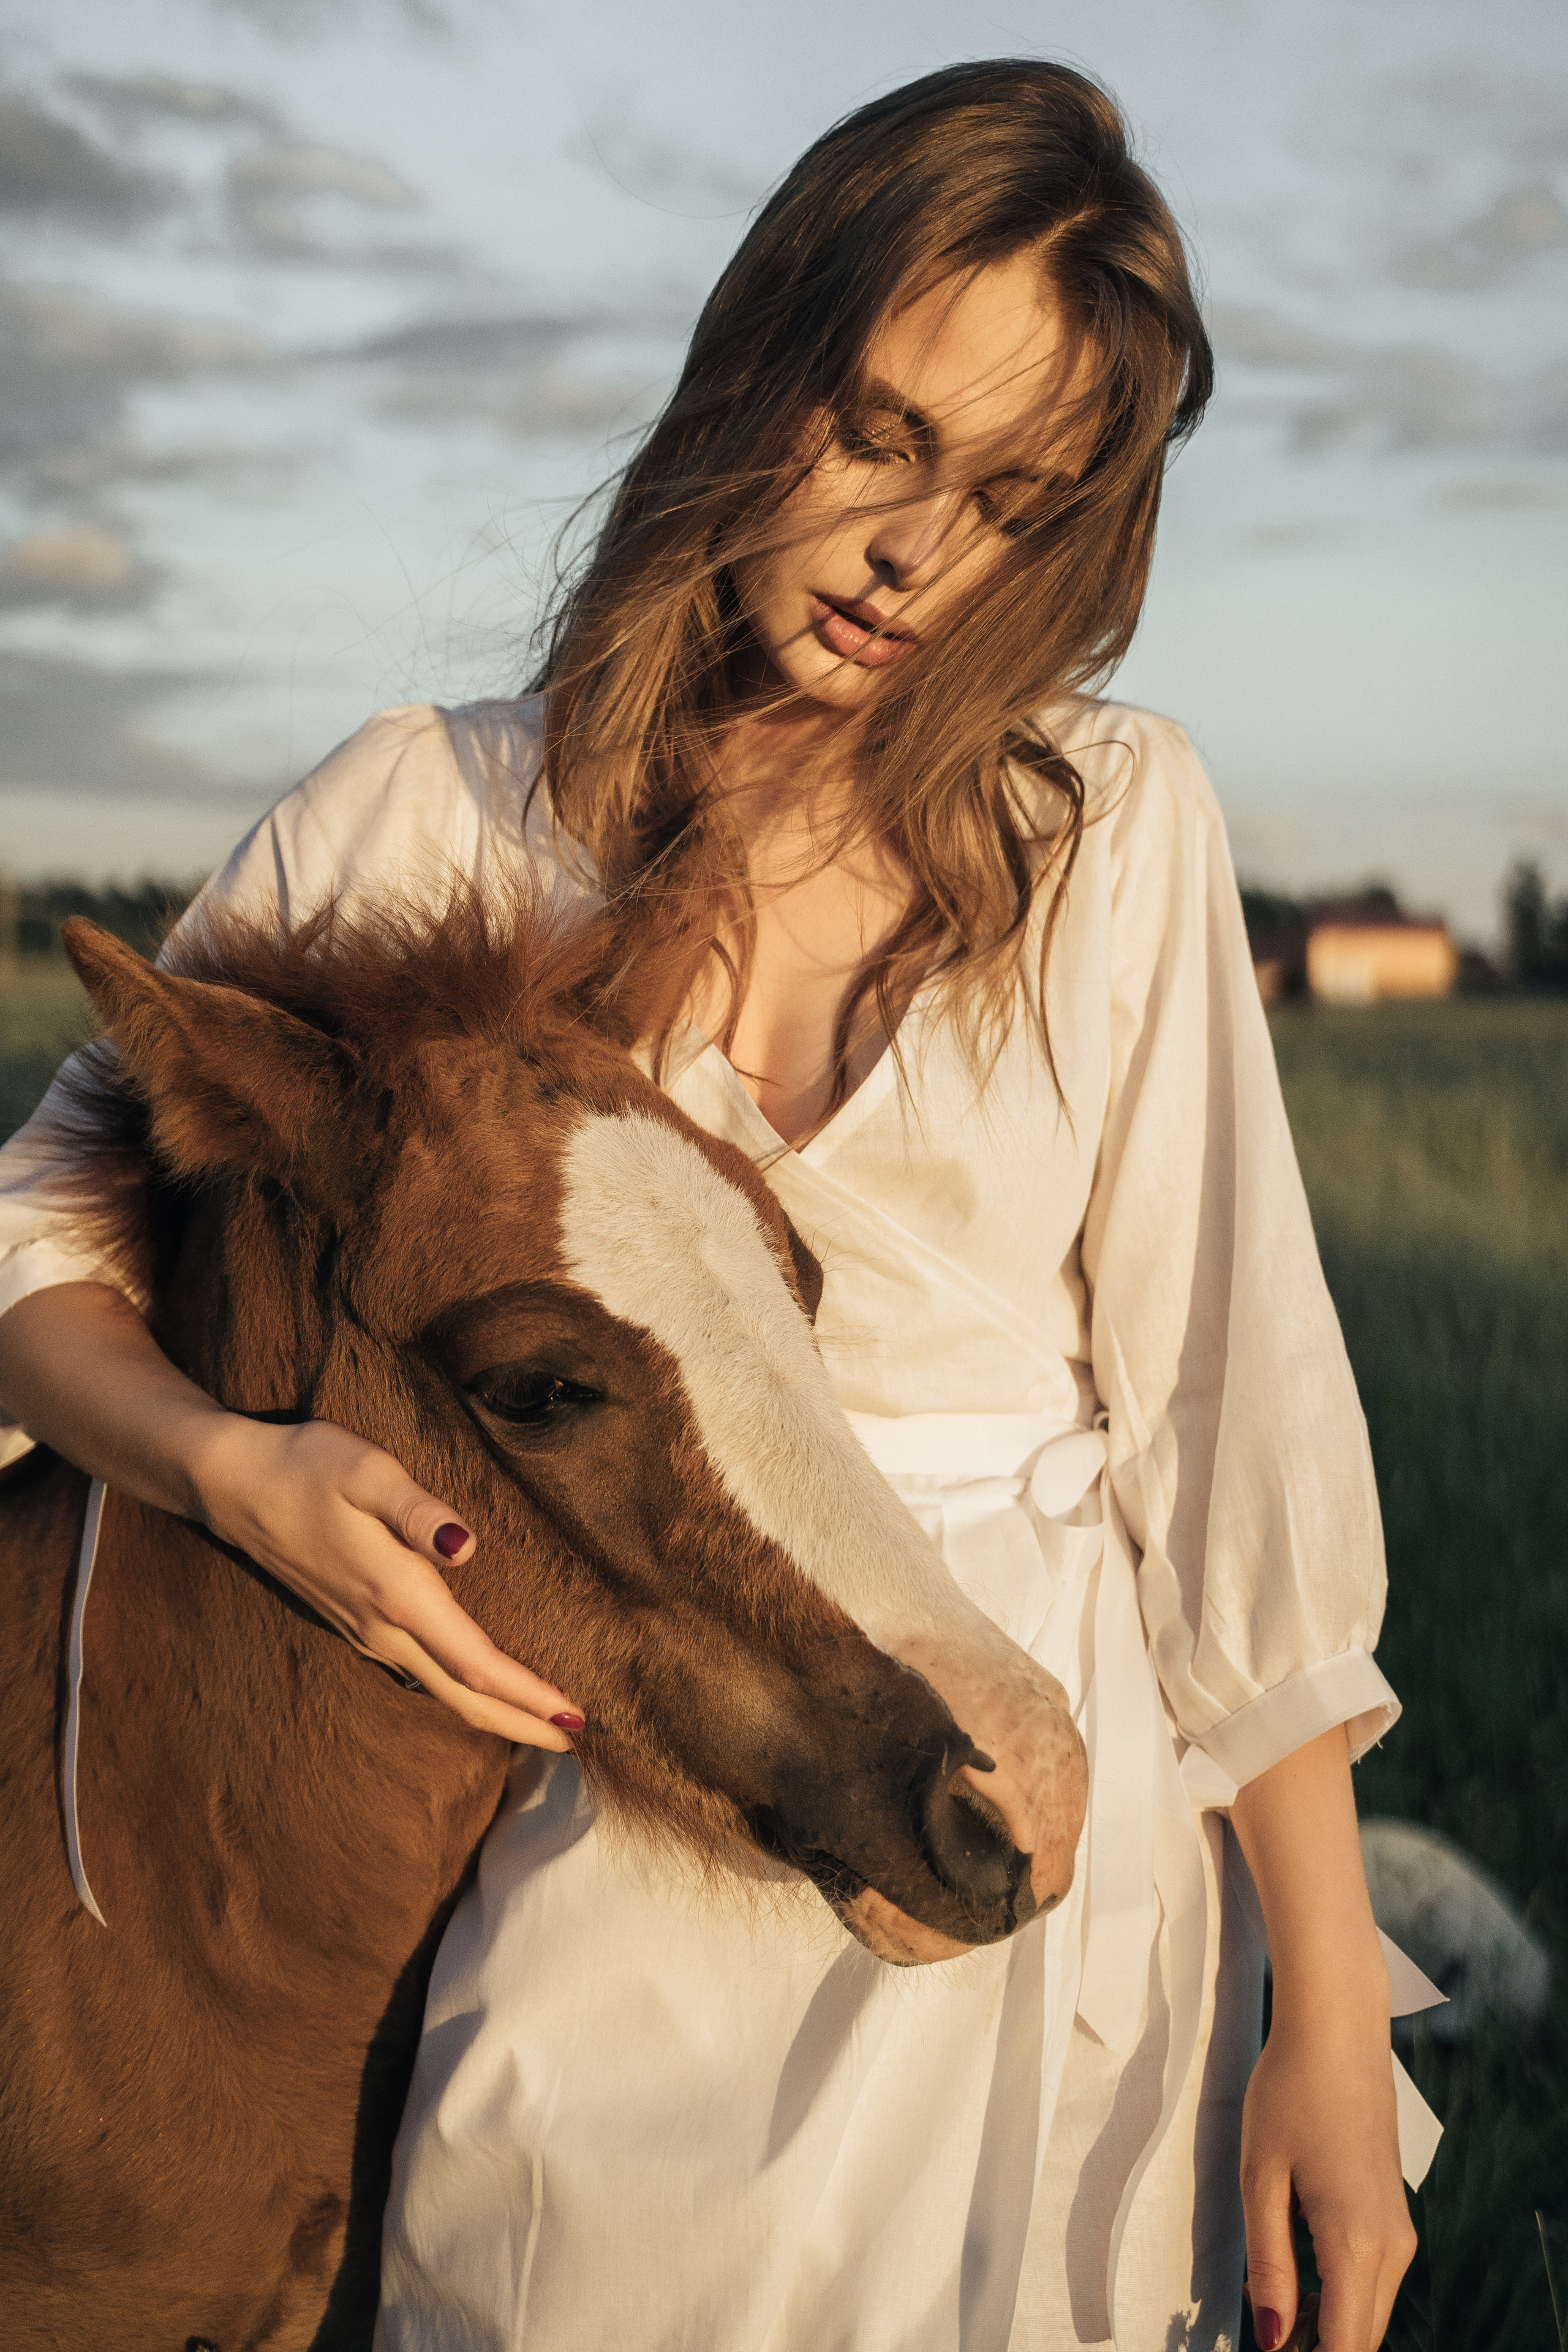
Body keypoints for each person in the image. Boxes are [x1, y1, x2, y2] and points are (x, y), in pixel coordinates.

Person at [0, 58, 1417, 2352]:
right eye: (879, 435)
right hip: (616, 1815)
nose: (914, 558)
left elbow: (1224, 1439)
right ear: (753, 372)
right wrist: (235, 1471)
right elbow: (42, 1239)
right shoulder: (432, 811)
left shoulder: (1113, 830)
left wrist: (1327, 2025)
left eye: (1018, 500)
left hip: (1030, 1846)